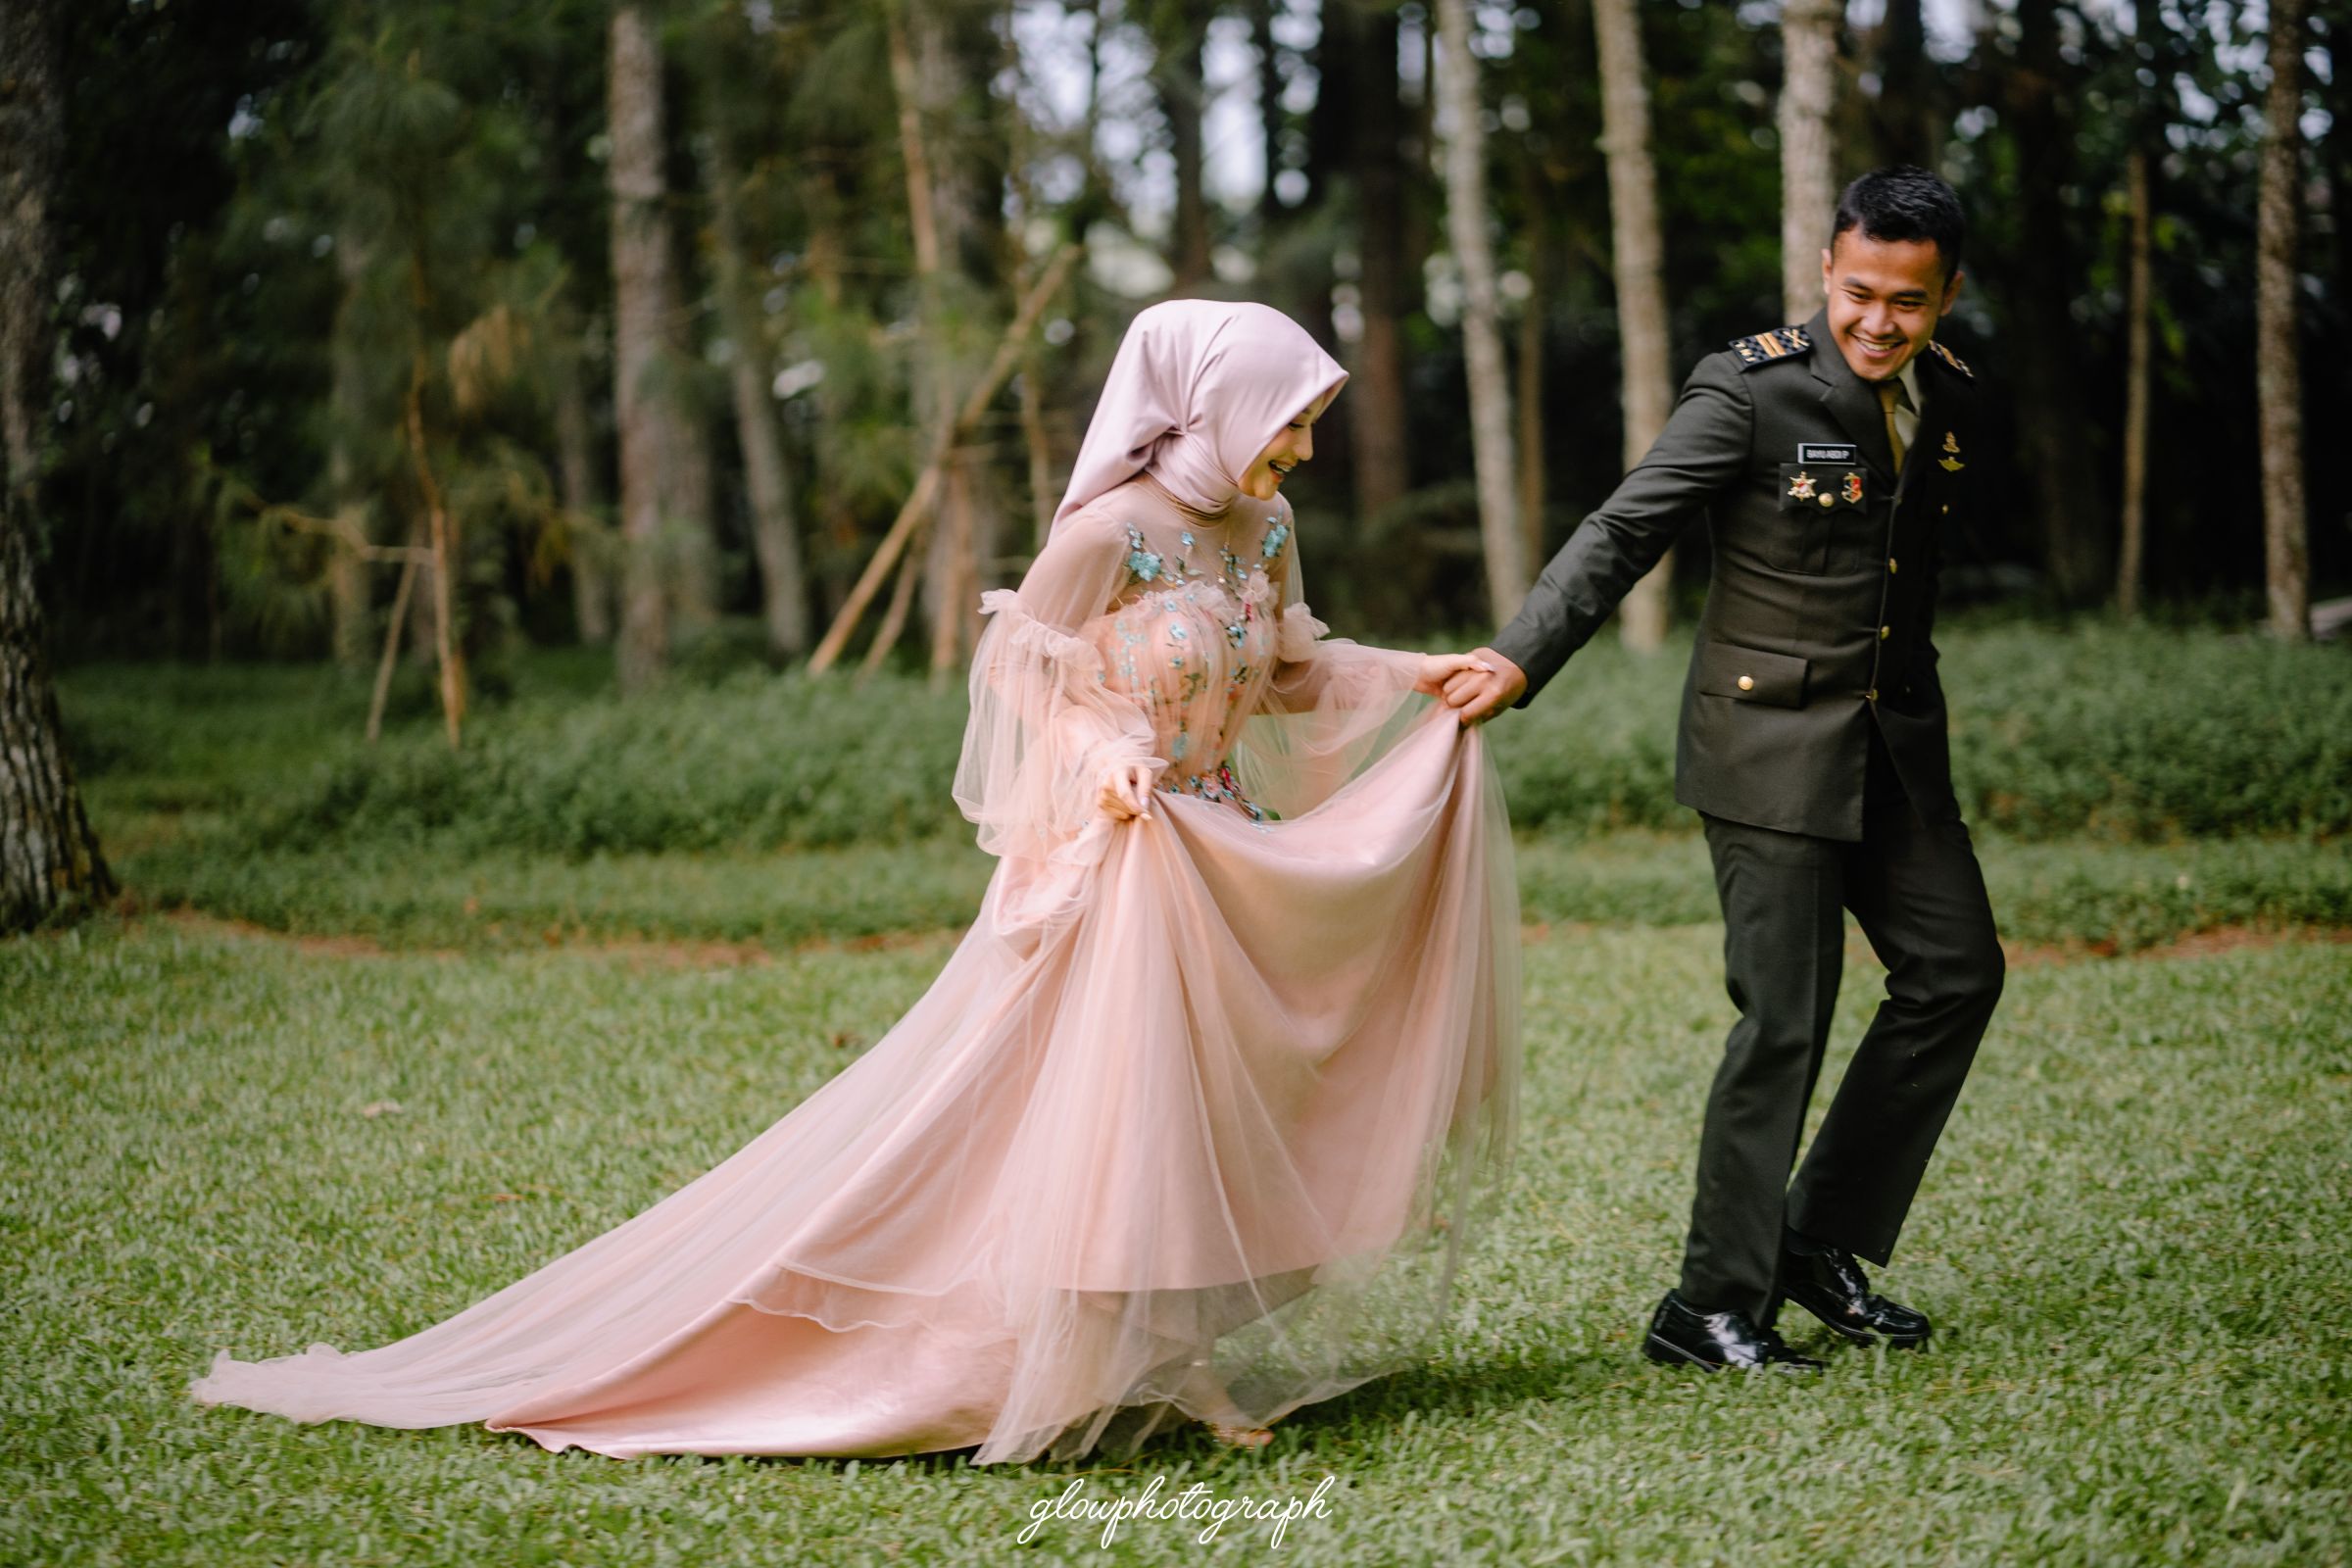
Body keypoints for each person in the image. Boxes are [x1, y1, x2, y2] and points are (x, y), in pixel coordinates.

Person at [192, 299, 1520, 1463]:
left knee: (1222, 1105)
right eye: (1290, 424)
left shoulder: (1267, 527)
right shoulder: (1109, 531)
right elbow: (1024, 673)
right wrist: (1105, 754)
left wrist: (1419, 675)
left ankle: (1175, 1348)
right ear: (1213, 405)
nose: (1302, 452)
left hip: (1226, 844)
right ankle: (1105, 1351)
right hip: (1125, 852)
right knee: (1123, 1110)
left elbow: (1288, 670)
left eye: (1308, 426)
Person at [1444, 166, 2005, 1372]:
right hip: (1768, 749)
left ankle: (1815, 1239)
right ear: (1827, 269)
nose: (1879, 322)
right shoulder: (1750, 389)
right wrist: (1520, 654)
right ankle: (1704, 1308)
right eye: (1860, 293)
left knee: (1959, 971)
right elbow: (1625, 527)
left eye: (1908, 302)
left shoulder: (1951, 392)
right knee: (1786, 1019)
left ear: (1946, 295)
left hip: (1896, 748)